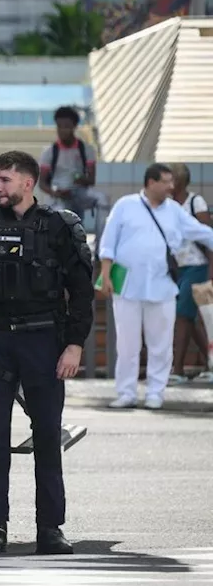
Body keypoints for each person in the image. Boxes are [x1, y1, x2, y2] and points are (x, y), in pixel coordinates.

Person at [0, 151, 94, 555]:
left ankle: (50, 528)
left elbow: (81, 293)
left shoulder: (59, 227)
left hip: (44, 342)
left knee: (47, 437)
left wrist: (75, 344)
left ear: (28, 182)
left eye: (6, 180)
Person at [99, 163, 213, 409]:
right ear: (151, 183)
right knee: (127, 343)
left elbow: (201, 232)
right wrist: (105, 275)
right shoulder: (125, 206)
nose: (171, 186)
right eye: (166, 182)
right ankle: (127, 392)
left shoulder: (174, 211)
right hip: (127, 285)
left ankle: (155, 393)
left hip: (162, 285)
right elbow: (108, 242)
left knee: (160, 343)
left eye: (172, 181)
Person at [168, 163, 213, 383]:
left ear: (179, 181)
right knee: (192, 318)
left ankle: (177, 369)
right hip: (180, 268)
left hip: (198, 266)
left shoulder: (195, 202)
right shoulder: (167, 206)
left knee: (183, 316)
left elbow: (208, 236)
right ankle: (210, 362)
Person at [38, 107, 107, 221]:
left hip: (80, 193)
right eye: (59, 126)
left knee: (102, 199)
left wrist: (80, 179)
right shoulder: (49, 152)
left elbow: (91, 180)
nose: (62, 130)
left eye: (66, 126)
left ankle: (101, 239)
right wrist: (55, 192)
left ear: (74, 127)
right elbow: (42, 183)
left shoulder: (86, 150)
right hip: (58, 195)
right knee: (60, 213)